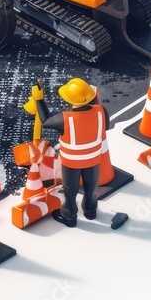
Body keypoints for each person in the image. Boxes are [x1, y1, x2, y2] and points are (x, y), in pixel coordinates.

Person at [32, 78, 107, 227]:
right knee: (91, 188)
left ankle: (70, 216)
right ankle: (90, 210)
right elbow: (106, 126)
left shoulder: (64, 119)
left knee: (70, 190)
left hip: (71, 163)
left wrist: (39, 100)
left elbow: (46, 121)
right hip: (93, 159)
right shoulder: (101, 111)